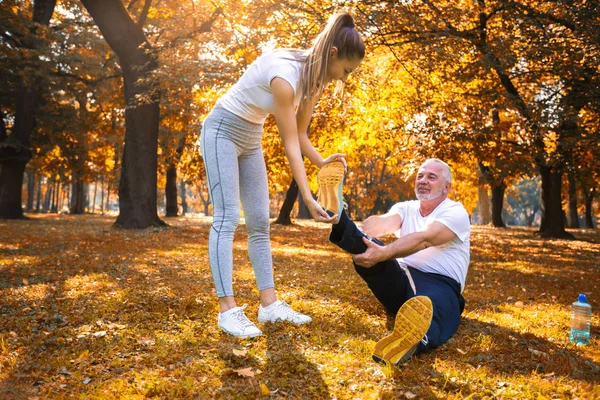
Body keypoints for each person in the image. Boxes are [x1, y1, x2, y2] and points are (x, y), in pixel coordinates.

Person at [199, 12, 365, 338]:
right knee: (228, 216)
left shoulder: (313, 82)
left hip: (249, 137)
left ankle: (269, 305)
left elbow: (301, 135)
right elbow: (288, 141)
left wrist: (321, 161)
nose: (345, 78)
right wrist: (306, 194)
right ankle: (227, 310)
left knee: (260, 221)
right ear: (332, 54)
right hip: (221, 130)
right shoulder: (286, 78)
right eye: (346, 70)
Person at [319, 158, 470, 365]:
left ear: (447, 187)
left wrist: (384, 252)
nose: (423, 180)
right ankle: (338, 217)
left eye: (431, 177)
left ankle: (409, 342)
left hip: (439, 284)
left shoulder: (455, 212)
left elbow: (425, 238)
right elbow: (382, 224)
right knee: (367, 243)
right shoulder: (406, 207)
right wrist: (366, 228)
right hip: (400, 278)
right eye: (420, 176)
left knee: (429, 306)